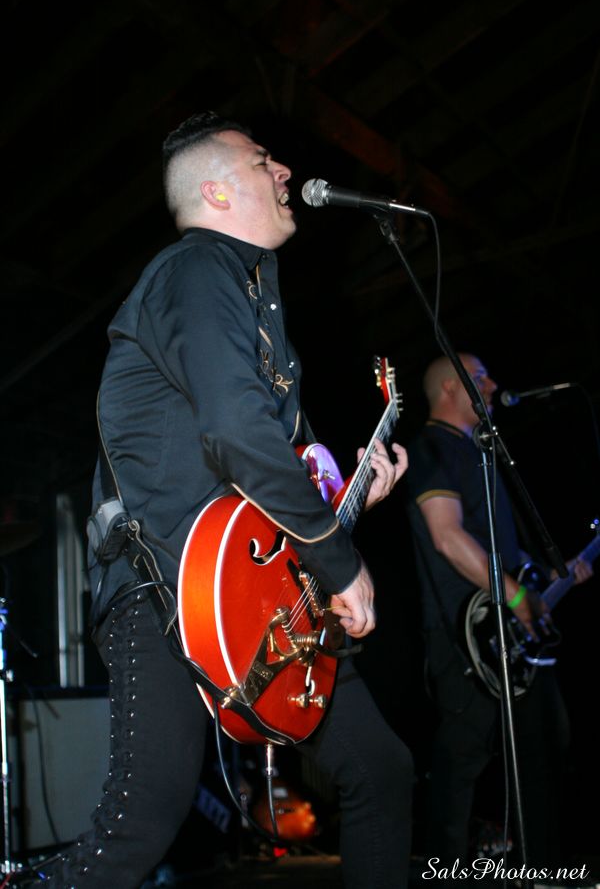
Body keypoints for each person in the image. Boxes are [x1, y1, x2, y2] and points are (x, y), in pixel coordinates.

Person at [39, 112, 414, 888]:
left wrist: (351, 498)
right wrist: (339, 561)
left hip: (258, 597)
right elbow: (238, 434)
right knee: (141, 824)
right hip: (167, 589)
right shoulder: (196, 270)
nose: (285, 172)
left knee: (379, 766)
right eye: (262, 160)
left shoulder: (256, 305)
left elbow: (270, 475)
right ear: (215, 191)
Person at [405, 353, 592, 874]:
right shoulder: (431, 448)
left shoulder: (482, 455)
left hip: (509, 634)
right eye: (480, 377)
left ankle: (545, 870)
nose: (492, 386)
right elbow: (447, 537)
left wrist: (550, 575)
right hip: (466, 635)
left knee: (545, 746)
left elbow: (502, 553)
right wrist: (514, 597)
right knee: (462, 761)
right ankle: (445, 875)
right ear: (449, 387)